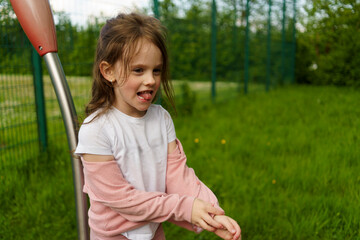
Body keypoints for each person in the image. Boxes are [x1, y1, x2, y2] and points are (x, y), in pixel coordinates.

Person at [75, 12, 241, 240]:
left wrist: (211, 212)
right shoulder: (96, 130)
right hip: (113, 236)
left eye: (156, 70)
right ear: (108, 71)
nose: (151, 80)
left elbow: (178, 176)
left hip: (153, 230)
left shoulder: (161, 119)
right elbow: (122, 200)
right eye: (138, 70)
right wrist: (185, 207)